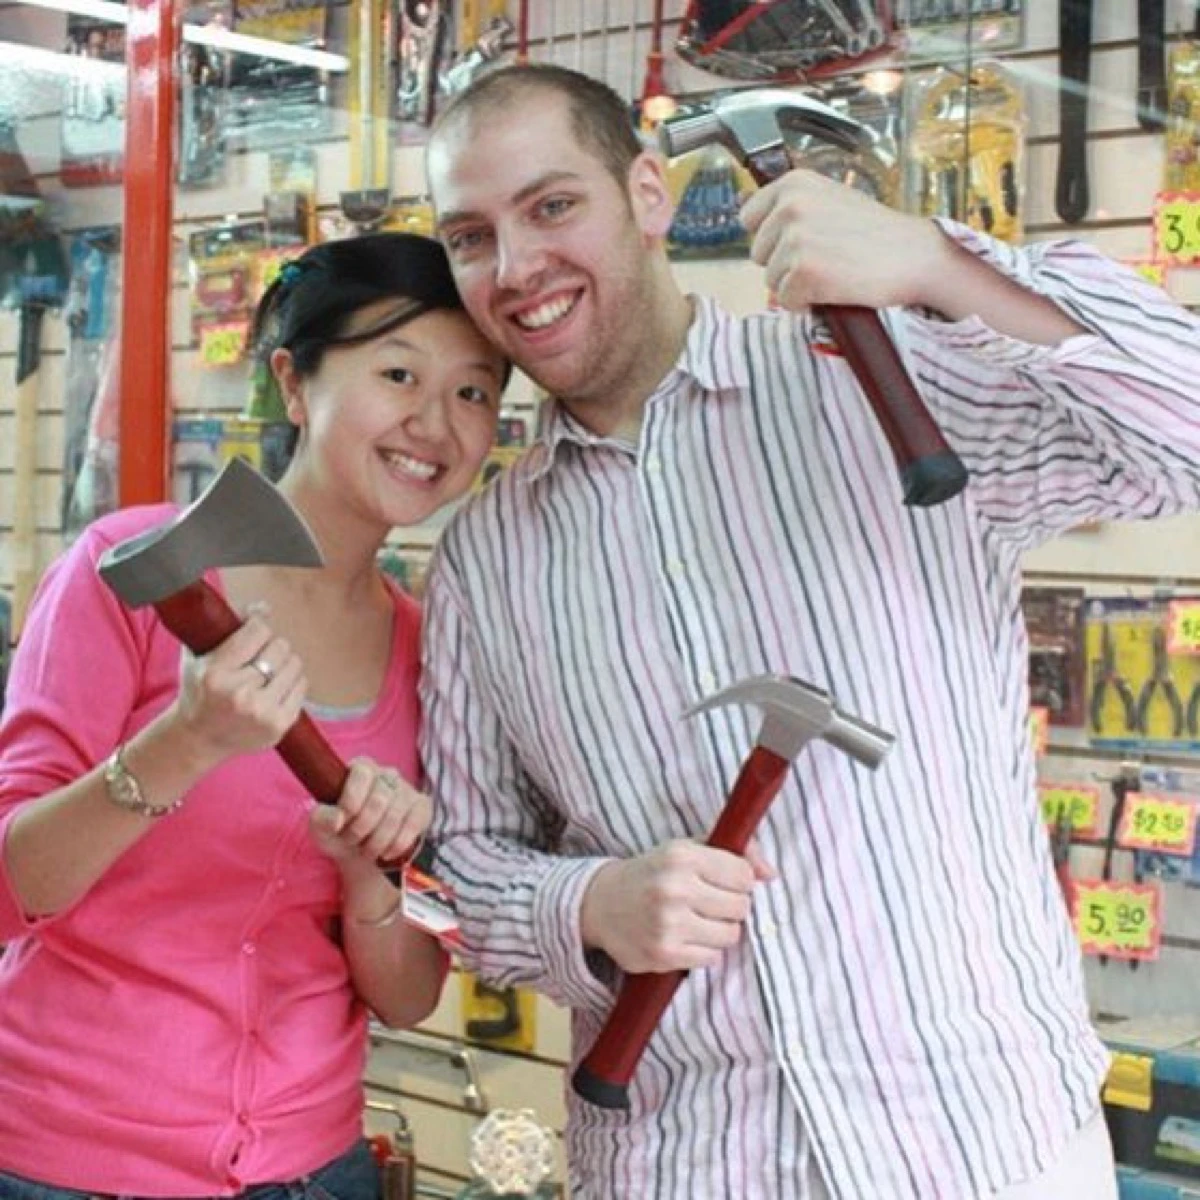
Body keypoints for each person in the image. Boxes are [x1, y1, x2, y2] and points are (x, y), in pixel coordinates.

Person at [417, 63, 1200, 1200]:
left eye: (552, 206)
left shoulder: (884, 393)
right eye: (470, 237)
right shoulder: (484, 561)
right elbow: (457, 868)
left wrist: (937, 264)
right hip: (682, 1164)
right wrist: (586, 906)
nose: (516, 267)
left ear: (648, 193)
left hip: (983, 1147)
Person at [0, 233, 507, 1199]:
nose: (435, 424)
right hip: (67, 1164)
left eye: (475, 392)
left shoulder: (434, 656)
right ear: (292, 382)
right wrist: (184, 744)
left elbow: (410, 994)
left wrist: (367, 876)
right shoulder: (129, 573)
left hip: (315, 1171)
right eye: (398, 373)